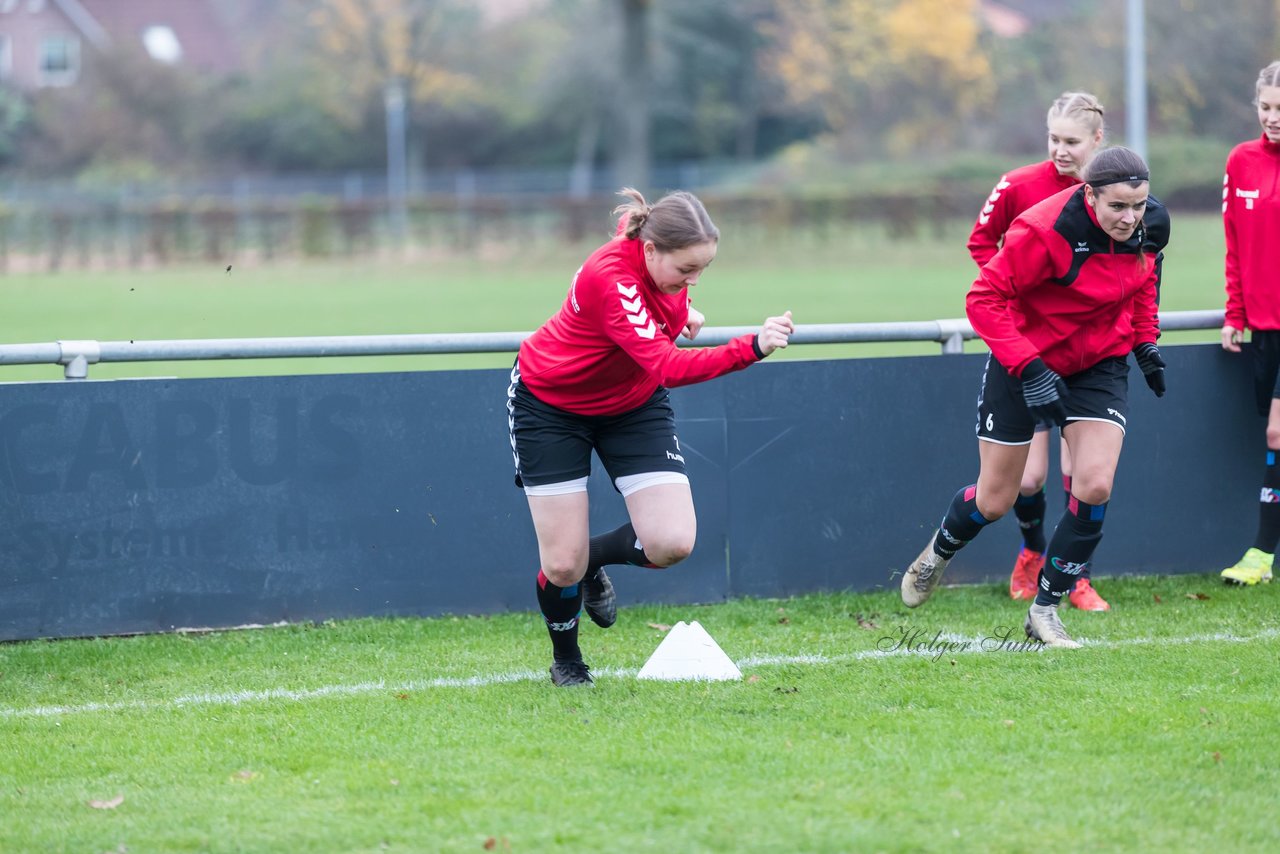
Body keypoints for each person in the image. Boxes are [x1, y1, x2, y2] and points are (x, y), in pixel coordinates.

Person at [507, 188, 795, 686]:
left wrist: (684, 307)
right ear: (651, 250)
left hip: (632, 405)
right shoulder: (610, 277)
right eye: (687, 270)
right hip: (550, 405)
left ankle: (590, 560)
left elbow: (657, 304)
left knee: (671, 543)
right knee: (560, 565)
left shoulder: (651, 248)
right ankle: (568, 662)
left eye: (703, 269)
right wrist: (751, 347)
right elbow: (665, 364)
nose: (694, 279)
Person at [900, 147, 1170, 648]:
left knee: (1094, 484)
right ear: (1089, 195)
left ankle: (1045, 610)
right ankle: (938, 551)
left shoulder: (1151, 225)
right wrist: (1028, 367)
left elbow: (1143, 285)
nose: (1131, 218)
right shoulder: (1043, 230)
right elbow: (982, 299)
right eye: (1118, 207)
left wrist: (1145, 341)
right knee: (997, 499)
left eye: (1139, 205)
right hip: (1024, 361)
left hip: (1100, 365)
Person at [967, 92, 1112, 610]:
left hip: (1088, 353)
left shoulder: (1112, 191)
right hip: (1026, 348)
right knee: (1029, 477)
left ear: (1097, 141)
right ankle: (1031, 550)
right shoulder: (1018, 184)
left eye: (1072, 141)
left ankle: (1075, 577)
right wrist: (1015, 293)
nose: (1060, 150)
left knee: (1085, 473)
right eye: (1053, 138)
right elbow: (981, 244)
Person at [1221, 60, 1280, 586]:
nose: (1273, 117)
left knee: (1278, 432)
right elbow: (1235, 245)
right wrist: (1235, 313)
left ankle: (1261, 554)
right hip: (1263, 328)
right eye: (1266, 106)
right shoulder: (1240, 161)